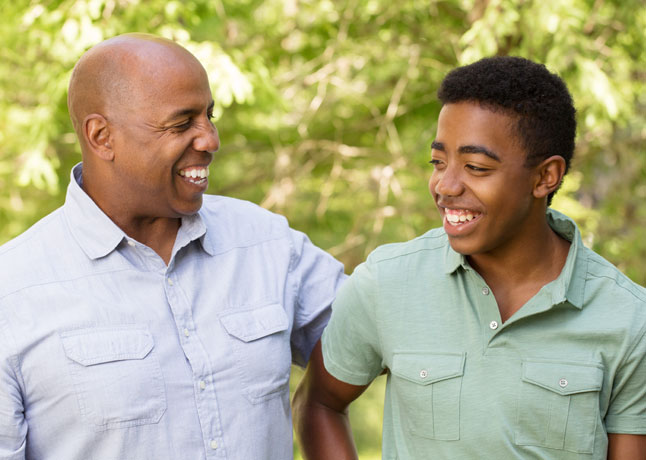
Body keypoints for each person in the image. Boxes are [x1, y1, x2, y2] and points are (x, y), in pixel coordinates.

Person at [0, 34, 345, 460]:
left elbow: (386, 333)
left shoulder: (265, 242)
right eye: (181, 124)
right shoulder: (12, 292)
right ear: (101, 136)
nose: (210, 140)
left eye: (209, 117)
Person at [293, 56, 646, 459]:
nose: (445, 185)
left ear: (545, 177)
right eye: (438, 162)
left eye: (476, 167)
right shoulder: (386, 282)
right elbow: (320, 402)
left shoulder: (630, 319)